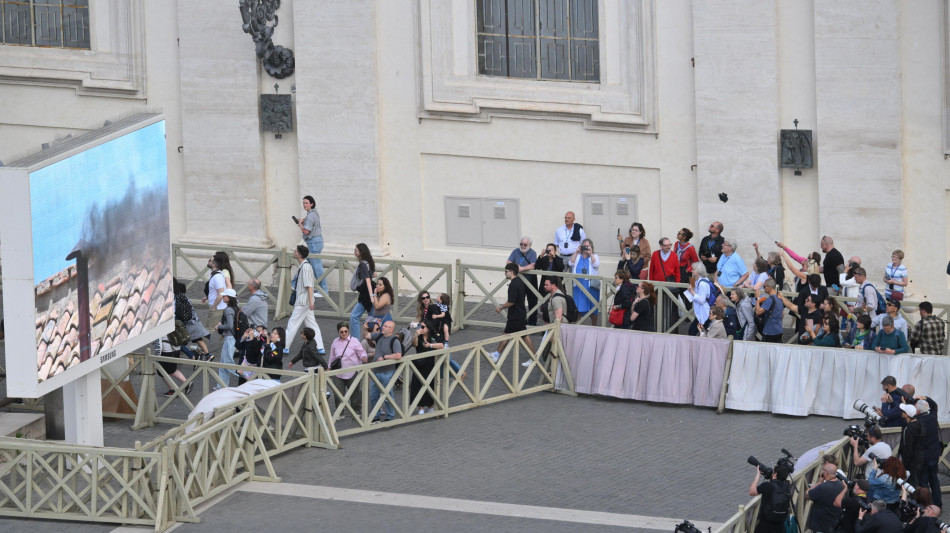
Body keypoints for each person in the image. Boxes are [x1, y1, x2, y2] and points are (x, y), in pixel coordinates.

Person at [284, 244, 326, 357]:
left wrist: (311, 302)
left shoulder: (306, 267)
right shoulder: (303, 266)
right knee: (312, 324)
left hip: (303, 301)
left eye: (296, 251)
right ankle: (320, 347)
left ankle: (285, 346)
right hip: (305, 301)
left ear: (299, 254)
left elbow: (309, 286)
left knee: (293, 323)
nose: (294, 252)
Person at [490, 263, 535, 361]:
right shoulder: (519, 282)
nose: (505, 273)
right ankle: (496, 354)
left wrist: (500, 308)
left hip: (516, 316)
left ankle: (533, 359)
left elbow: (511, 302)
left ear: (511, 272)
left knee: (524, 336)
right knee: (507, 334)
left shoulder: (513, 284)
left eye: (506, 271)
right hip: (518, 314)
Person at [327, 321, 368, 418]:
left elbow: (361, 352)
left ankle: (356, 411)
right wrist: (329, 368)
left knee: (355, 393)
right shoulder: (335, 342)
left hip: (352, 372)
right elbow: (332, 357)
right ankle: (339, 413)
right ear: (338, 332)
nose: (344, 333)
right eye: (342, 332)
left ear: (348, 331)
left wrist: (363, 357)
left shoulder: (354, 341)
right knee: (338, 393)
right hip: (338, 372)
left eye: (346, 331)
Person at [366, 320, 402, 423]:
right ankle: (376, 416)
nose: (383, 327)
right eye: (383, 325)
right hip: (376, 371)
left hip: (387, 372)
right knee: (373, 395)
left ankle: (390, 416)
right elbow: (366, 336)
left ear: (391, 329)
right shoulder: (379, 335)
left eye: (386, 326)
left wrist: (385, 357)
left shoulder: (394, 340)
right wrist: (365, 327)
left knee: (388, 395)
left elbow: (398, 355)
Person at [748, 459, 793, 533]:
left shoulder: (767, 486)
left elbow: (751, 492)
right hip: (780, 527)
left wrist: (758, 475)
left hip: (765, 526)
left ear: (775, 474)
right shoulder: (786, 487)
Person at [915, 394, 943, 507]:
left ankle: (927, 504)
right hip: (934, 455)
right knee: (934, 480)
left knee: (923, 481)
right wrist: (926, 398)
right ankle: (938, 504)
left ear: (917, 411)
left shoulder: (917, 421)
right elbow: (934, 406)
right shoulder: (933, 417)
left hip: (924, 457)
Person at [410, 320, 443, 415]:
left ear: (428, 328)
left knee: (430, 384)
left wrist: (430, 345)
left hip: (430, 363)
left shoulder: (433, 336)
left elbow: (441, 345)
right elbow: (415, 344)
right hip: (419, 363)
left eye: (423, 327)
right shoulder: (418, 337)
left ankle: (430, 405)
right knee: (418, 385)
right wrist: (415, 335)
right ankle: (420, 407)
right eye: (420, 327)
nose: (421, 329)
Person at [173, 279, 211, 359]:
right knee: (197, 339)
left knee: (179, 340)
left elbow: (177, 310)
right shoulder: (186, 297)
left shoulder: (178, 297)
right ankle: (207, 354)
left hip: (188, 323)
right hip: (194, 322)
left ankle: (195, 356)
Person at [298, 195, 328, 293]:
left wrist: (300, 225)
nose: (304, 205)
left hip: (314, 243)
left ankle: (323, 290)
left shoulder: (311, 215)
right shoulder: (313, 213)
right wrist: (303, 220)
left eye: (306, 203)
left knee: (317, 268)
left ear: (312, 204)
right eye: (303, 203)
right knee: (305, 264)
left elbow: (306, 231)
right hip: (315, 242)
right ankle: (297, 285)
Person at [508, 237, 539, 326]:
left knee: (532, 302)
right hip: (518, 281)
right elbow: (508, 262)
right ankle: (520, 321)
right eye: (521, 244)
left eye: (525, 244)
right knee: (518, 302)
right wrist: (515, 267)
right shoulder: (515, 251)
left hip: (530, 280)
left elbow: (533, 266)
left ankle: (532, 323)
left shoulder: (532, 253)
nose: (523, 246)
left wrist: (521, 269)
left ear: (530, 245)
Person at [805, 463, 845, 533]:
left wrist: (819, 482)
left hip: (821, 526)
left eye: (822, 470)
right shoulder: (841, 484)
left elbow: (807, 494)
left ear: (825, 473)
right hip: (834, 523)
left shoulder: (823, 487)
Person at [570, 238, 600, 326]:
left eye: (588, 246)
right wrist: (576, 252)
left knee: (592, 307)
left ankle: (594, 326)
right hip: (578, 285)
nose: (586, 248)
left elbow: (596, 265)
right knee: (578, 306)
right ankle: (577, 325)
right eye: (585, 246)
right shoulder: (578, 256)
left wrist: (591, 254)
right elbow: (571, 263)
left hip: (590, 286)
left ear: (592, 247)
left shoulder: (595, 256)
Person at [215, 288, 240, 389]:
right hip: (231, 338)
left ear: (228, 298)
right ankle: (221, 386)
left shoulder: (228, 310)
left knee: (228, 363)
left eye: (224, 296)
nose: (223, 297)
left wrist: (219, 327)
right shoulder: (235, 308)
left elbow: (230, 325)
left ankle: (246, 377)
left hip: (229, 338)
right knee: (223, 364)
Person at [348, 243, 375, 336]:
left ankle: (356, 341)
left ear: (361, 252)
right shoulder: (370, 262)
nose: (354, 252)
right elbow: (371, 275)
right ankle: (372, 341)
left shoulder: (363, 264)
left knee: (354, 317)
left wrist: (371, 296)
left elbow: (367, 280)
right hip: (371, 291)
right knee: (371, 319)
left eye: (356, 250)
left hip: (366, 293)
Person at [201, 254, 229, 336]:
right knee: (222, 328)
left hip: (217, 308)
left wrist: (213, 307)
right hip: (219, 306)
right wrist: (207, 297)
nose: (208, 261)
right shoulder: (216, 274)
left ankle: (201, 349)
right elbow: (217, 290)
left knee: (209, 329)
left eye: (210, 260)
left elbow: (220, 294)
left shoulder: (217, 277)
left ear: (213, 264)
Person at [898, 404, 924, 485]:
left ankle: (914, 497)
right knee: (918, 482)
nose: (901, 412)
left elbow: (907, 448)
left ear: (906, 415)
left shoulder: (908, 429)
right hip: (920, 458)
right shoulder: (920, 424)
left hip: (910, 463)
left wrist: (904, 465)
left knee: (912, 485)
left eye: (903, 411)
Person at [684, 262, 712, 335]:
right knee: (697, 331)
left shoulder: (702, 283)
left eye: (693, 269)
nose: (692, 271)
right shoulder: (699, 281)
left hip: (704, 312)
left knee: (692, 332)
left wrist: (692, 292)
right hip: (701, 312)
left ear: (699, 271)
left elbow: (702, 300)